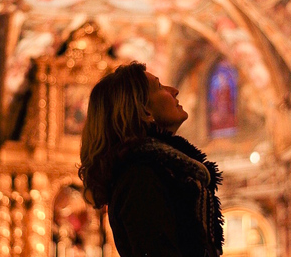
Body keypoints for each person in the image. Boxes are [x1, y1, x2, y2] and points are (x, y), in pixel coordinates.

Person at [78, 61, 223, 257]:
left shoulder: (155, 171)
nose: (175, 90)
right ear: (145, 110)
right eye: (160, 87)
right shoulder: (140, 178)